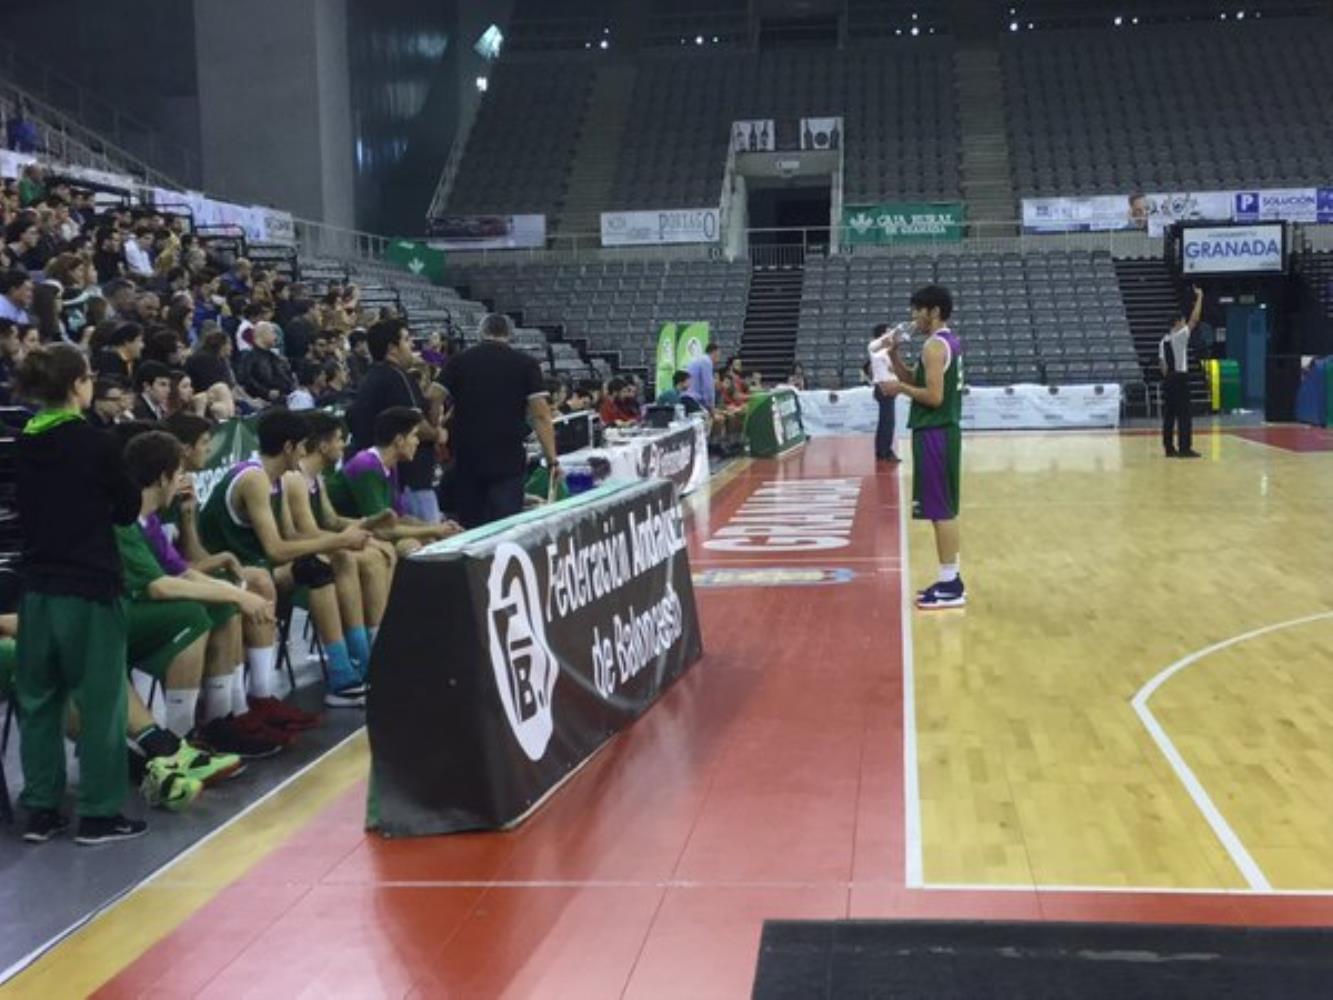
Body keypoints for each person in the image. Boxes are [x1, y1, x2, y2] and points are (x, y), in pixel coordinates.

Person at [13, 343, 147, 844]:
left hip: (37, 589)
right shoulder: (96, 443)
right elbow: (127, 508)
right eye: (89, 377)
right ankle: (97, 812)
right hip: (89, 587)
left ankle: (42, 809)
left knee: (39, 701)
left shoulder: (23, 441)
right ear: (76, 386)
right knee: (101, 701)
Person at [117, 431, 284, 760]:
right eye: (178, 474)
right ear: (163, 476)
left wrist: (236, 594)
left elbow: (183, 570)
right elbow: (159, 586)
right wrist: (237, 597)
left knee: (221, 605)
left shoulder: (146, 519)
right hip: (110, 616)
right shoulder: (122, 520)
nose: (182, 481)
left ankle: (219, 723)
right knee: (191, 613)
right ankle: (179, 739)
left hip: (138, 606)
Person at [198, 408, 373, 707]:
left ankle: (359, 658)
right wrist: (339, 539)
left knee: (335, 559)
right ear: (289, 447)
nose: (306, 452)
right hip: (230, 568)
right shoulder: (254, 479)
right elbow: (276, 550)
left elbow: (290, 537)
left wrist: (339, 542)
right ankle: (338, 676)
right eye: (304, 445)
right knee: (314, 567)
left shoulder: (275, 478)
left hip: (255, 564)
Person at [281, 412, 399, 642]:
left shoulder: (318, 477)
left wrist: (368, 523)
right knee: (367, 557)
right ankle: (372, 643)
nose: (343, 445)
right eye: (338, 439)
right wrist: (360, 538)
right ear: (323, 446)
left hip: (317, 546)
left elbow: (332, 521)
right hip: (299, 556)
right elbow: (308, 533)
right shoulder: (295, 478)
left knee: (378, 551)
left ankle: (379, 633)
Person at [882, 286, 966, 610]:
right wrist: (893, 356)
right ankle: (949, 579)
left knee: (942, 511)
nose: (913, 316)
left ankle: (952, 584)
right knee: (938, 509)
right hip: (938, 433)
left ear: (934, 311)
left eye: (918, 310)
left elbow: (933, 397)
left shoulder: (934, 346)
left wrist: (900, 388)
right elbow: (918, 382)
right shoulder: (945, 343)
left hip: (936, 434)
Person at [442, 313, 559, 529]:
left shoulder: (459, 360)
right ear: (509, 335)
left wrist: (436, 429)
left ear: (480, 333)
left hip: (468, 458)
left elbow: (433, 396)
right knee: (505, 530)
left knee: (472, 530)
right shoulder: (525, 364)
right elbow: (541, 415)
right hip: (507, 458)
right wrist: (552, 459)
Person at [326, 407, 461, 555]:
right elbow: (382, 529)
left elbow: (400, 518)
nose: (417, 442)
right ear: (399, 440)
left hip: (364, 531)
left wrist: (441, 528)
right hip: (337, 534)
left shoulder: (390, 465)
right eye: (414, 436)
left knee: (429, 539)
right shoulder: (366, 465)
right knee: (410, 545)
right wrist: (434, 529)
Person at [346, 318, 443, 523]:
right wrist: (438, 434)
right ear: (392, 348)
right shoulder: (396, 376)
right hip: (411, 479)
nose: (412, 346)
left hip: (393, 478)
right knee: (430, 546)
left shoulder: (372, 377)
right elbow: (417, 425)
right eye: (407, 340)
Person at [1161, 285, 1204, 459]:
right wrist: (1200, 297)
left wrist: (1168, 378)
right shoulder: (1179, 336)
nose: (1185, 322)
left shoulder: (1163, 340)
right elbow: (1195, 319)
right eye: (1182, 320)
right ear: (1178, 323)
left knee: (1169, 415)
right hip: (1179, 377)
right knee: (1184, 415)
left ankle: (1169, 448)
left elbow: (1162, 365)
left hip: (1169, 379)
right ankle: (1185, 448)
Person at [867, 323, 905, 464]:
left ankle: (882, 450)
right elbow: (875, 347)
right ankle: (885, 451)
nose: (891, 335)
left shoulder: (887, 351)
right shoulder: (874, 348)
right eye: (887, 333)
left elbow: (891, 368)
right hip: (883, 387)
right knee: (888, 422)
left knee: (886, 422)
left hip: (889, 387)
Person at [236, 321, 294, 404]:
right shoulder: (249, 358)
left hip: (283, 398)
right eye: (273, 332)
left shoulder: (276, 358)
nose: (276, 336)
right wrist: (266, 392)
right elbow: (246, 380)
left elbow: (287, 378)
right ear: (262, 334)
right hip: (260, 401)